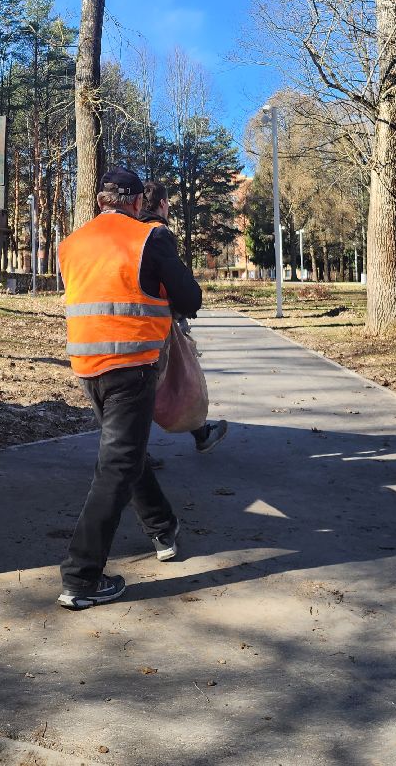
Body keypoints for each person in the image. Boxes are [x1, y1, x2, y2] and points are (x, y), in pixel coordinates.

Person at [55, 167, 202, 610]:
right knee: (117, 467)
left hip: (87, 366)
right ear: (137, 202)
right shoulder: (148, 239)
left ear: (100, 199)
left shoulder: (70, 243)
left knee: (127, 454)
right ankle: (81, 577)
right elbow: (190, 299)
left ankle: (162, 528)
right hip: (131, 368)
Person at [139, 179, 229, 454]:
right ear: (164, 204)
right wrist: (190, 303)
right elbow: (177, 284)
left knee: (151, 385)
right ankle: (198, 434)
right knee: (179, 378)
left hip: (126, 322)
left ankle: (137, 455)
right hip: (156, 322)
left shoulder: (130, 233)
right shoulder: (157, 234)